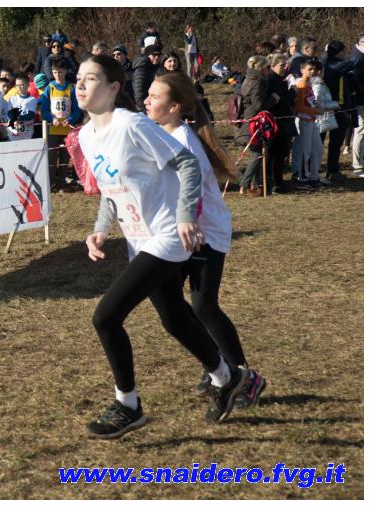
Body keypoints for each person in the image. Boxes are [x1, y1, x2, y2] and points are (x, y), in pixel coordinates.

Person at [76, 55, 246, 439]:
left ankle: (128, 405)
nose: (81, 85)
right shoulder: (86, 136)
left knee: (106, 317)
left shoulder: (132, 124)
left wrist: (186, 216)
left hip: (168, 235)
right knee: (174, 318)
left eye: (91, 78)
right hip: (140, 238)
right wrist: (100, 229)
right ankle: (227, 377)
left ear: (114, 88)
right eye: (79, 78)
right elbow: (111, 188)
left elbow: (187, 164)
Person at [145, 71, 267, 405]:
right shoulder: (162, 135)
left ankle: (244, 376)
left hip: (204, 232)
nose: (146, 101)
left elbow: (193, 193)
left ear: (175, 106)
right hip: (178, 232)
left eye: (154, 97)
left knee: (203, 305)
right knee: (173, 304)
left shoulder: (183, 141)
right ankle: (217, 364)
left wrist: (187, 225)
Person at [321, 40, 362, 182]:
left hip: (335, 107)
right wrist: (362, 50)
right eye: (343, 51)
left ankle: (332, 170)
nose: (345, 54)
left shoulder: (327, 61)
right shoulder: (335, 65)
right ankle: (330, 170)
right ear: (338, 52)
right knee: (333, 142)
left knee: (333, 143)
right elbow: (355, 61)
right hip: (336, 108)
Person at [38, 58, 82, 190]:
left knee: (65, 157)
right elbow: (44, 109)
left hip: (66, 129)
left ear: (66, 71)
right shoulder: (49, 88)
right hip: (53, 129)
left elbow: (77, 109)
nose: (58, 75)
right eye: (55, 72)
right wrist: (52, 119)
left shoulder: (71, 88)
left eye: (60, 72)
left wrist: (71, 119)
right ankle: (51, 183)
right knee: (51, 157)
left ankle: (63, 181)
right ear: (52, 72)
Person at [237, 55, 276, 194]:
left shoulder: (248, 79)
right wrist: (273, 99)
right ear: (261, 68)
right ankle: (244, 185)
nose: (269, 70)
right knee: (257, 154)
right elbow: (258, 105)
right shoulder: (257, 83)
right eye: (267, 67)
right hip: (253, 122)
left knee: (257, 153)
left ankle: (254, 185)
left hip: (249, 120)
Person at [264, 53, 297, 193]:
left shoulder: (281, 79)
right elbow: (282, 100)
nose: (285, 67)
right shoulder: (272, 80)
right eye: (282, 65)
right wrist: (293, 92)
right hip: (276, 122)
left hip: (284, 121)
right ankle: (273, 183)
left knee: (281, 154)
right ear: (273, 65)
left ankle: (278, 181)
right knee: (274, 154)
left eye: (286, 65)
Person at [292, 59, 325, 188]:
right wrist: (315, 111)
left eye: (313, 69)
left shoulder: (309, 83)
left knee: (317, 148)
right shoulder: (301, 84)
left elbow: (310, 101)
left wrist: (317, 108)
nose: (312, 71)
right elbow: (299, 106)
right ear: (302, 70)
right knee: (303, 150)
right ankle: (300, 177)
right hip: (304, 120)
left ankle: (313, 176)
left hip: (312, 120)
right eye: (309, 69)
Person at [6, 72, 38, 142]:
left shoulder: (32, 99)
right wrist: (15, 119)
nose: (19, 87)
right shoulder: (12, 99)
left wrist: (17, 119)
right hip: (13, 134)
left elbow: (30, 115)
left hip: (27, 135)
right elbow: (9, 113)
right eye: (17, 85)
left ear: (28, 84)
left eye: (21, 85)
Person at [348, 35, 363, 175]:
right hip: (360, 101)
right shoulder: (357, 59)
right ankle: (357, 165)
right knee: (361, 131)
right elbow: (356, 83)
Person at [132, 44, 162, 112]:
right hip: (145, 109)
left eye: (159, 55)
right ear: (147, 55)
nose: (157, 57)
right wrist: (145, 110)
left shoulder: (156, 68)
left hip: (154, 107)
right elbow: (139, 93)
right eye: (154, 55)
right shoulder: (141, 70)